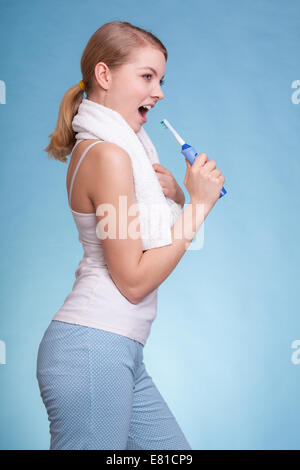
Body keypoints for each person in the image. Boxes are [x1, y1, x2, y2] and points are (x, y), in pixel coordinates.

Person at [36, 21, 225, 450]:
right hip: (92, 348)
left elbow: (142, 245)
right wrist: (198, 206)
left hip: (117, 351)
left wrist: (177, 196)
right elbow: (133, 280)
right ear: (104, 76)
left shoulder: (120, 153)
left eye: (160, 80)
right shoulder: (108, 155)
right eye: (147, 77)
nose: (159, 92)